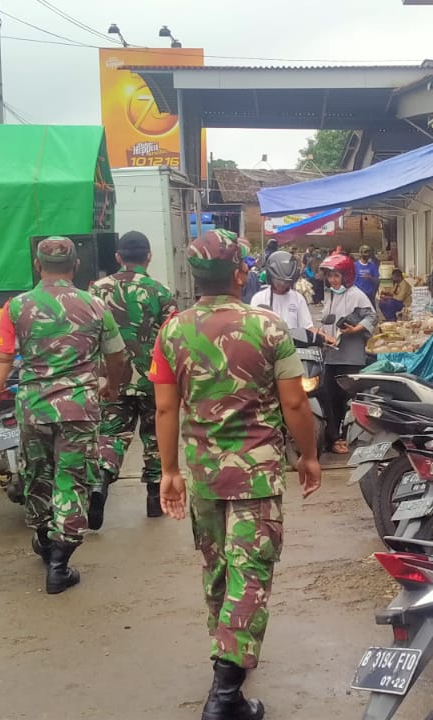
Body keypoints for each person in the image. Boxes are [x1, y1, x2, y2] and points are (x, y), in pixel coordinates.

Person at [148, 230, 322, 720]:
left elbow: (166, 410)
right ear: (242, 273)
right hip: (257, 476)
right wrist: (308, 456)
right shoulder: (267, 328)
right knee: (251, 573)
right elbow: (294, 401)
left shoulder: (173, 331)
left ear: (193, 275)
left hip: (204, 476)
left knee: (218, 568)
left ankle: (225, 660)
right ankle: (225, 695)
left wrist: (169, 470)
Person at [0, 237, 128, 595]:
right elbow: (118, 357)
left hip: (33, 407)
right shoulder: (95, 305)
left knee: (38, 477)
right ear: (76, 266)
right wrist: (112, 387)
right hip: (79, 407)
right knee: (71, 480)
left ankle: (45, 542)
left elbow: (0, 358)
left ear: (37, 265)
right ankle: (59, 565)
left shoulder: (16, 307)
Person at [89, 230, 178, 519]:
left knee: (112, 434)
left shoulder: (97, 291)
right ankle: (155, 500)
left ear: (118, 257)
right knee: (154, 436)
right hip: (153, 380)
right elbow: (173, 338)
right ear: (149, 256)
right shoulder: (161, 292)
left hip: (112, 380)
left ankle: (101, 482)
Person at [318, 253, 376, 456]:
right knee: (329, 397)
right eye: (330, 276)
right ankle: (333, 437)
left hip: (351, 356)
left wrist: (356, 329)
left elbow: (371, 316)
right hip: (331, 355)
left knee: (348, 398)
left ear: (346, 276)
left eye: (336, 276)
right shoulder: (330, 294)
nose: (333, 280)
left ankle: (344, 437)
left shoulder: (357, 294)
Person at [251, 251, 314, 336]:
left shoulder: (298, 299)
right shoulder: (259, 298)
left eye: (285, 282)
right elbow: (254, 328)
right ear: (270, 277)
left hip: (293, 346)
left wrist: (322, 337)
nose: (282, 284)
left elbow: (308, 327)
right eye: (278, 280)